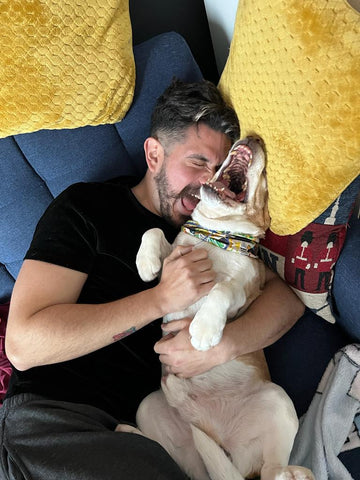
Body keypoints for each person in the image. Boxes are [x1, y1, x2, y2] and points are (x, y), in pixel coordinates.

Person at [1, 79, 305, 480]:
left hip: (144, 438)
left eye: (217, 170)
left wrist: (220, 347)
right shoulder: (89, 208)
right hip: (53, 423)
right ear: (154, 153)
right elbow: (23, 345)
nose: (206, 185)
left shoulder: (217, 233)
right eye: (197, 162)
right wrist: (160, 299)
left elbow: (289, 300)